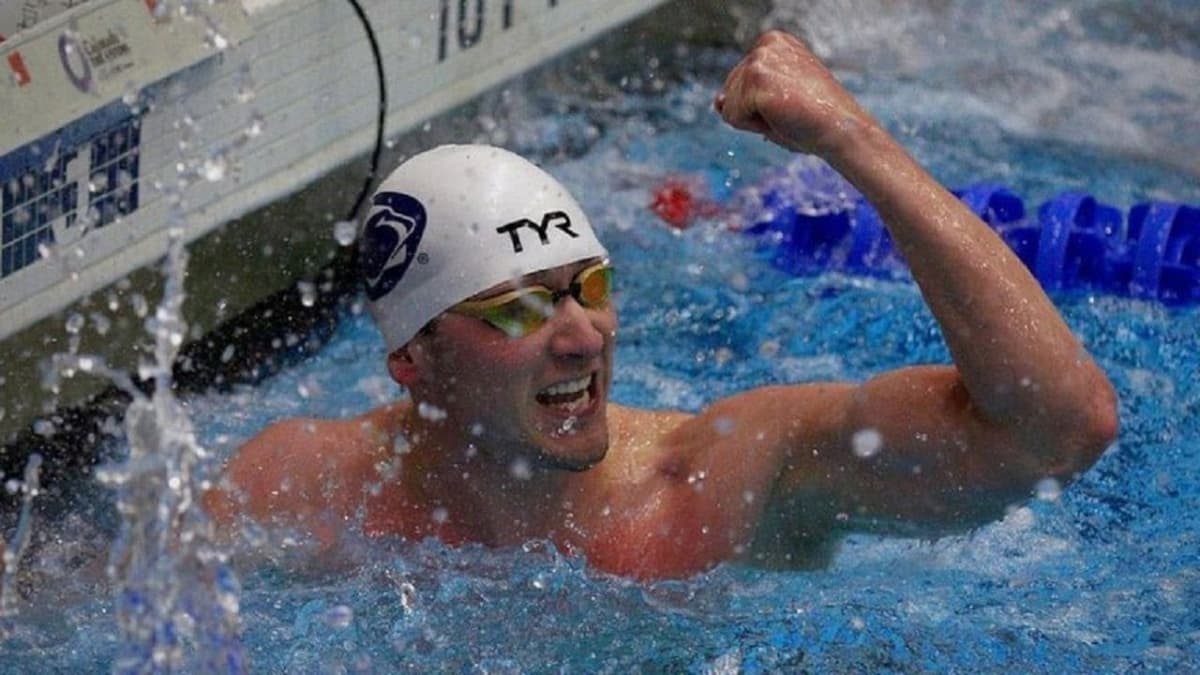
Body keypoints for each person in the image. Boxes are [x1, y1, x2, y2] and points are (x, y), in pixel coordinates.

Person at [203, 31, 1117, 579]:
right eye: (518, 309)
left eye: (589, 287)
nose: (581, 336)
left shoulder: (719, 480)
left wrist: (850, 138)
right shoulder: (306, 485)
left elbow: (1060, 428)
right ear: (414, 357)